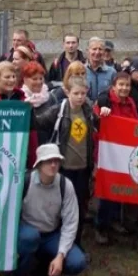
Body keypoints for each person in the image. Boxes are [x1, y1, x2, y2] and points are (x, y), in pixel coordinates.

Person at [11, 144, 87, 276]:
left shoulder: (65, 185)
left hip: (51, 235)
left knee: (77, 262)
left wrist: (60, 255)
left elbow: (70, 223)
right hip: (27, 231)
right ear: (39, 164)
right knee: (30, 237)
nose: (53, 165)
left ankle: (45, 267)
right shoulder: (25, 182)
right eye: (48, 161)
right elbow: (11, 214)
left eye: (56, 161)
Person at [32, 77, 95, 247]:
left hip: (83, 169)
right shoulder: (58, 111)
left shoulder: (89, 111)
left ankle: (76, 243)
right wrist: (28, 110)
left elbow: (102, 126)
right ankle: (57, 244)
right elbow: (38, 123)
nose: (80, 97)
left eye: (83, 93)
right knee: (60, 207)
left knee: (79, 207)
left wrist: (105, 111)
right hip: (64, 169)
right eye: (76, 93)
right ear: (67, 92)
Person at [92, 72, 138, 245]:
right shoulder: (105, 102)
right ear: (113, 86)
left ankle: (114, 220)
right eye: (121, 85)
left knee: (120, 187)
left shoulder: (130, 102)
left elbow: (135, 124)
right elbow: (95, 124)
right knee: (106, 189)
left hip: (124, 152)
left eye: (127, 85)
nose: (124, 88)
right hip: (107, 152)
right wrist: (101, 115)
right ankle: (101, 226)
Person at [85, 37, 115, 102]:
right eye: (94, 49)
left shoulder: (111, 72)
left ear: (103, 51)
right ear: (87, 51)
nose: (97, 52)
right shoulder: (81, 71)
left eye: (100, 49)